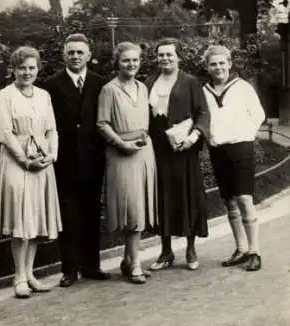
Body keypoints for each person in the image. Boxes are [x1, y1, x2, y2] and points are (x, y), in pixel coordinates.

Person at [0, 46, 62, 298]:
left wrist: (52, 154)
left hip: (42, 160)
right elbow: (6, 134)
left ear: (38, 68)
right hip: (17, 161)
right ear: (13, 69)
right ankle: (19, 277)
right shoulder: (4, 96)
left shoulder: (43, 95)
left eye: (32, 67)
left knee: (35, 217)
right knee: (21, 220)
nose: (27, 72)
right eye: (22, 67)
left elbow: (52, 129)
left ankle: (30, 274)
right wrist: (25, 161)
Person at [44, 33, 110, 287]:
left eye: (80, 52)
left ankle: (92, 265)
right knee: (69, 215)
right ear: (64, 55)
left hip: (93, 159)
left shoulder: (100, 83)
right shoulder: (51, 85)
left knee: (92, 213)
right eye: (70, 52)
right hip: (66, 160)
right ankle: (69, 269)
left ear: (89, 56)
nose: (75, 56)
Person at [146, 38, 209, 271]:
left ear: (178, 57)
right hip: (159, 150)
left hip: (184, 150)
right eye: (161, 55)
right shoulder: (150, 81)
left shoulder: (190, 82)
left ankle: (190, 249)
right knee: (163, 197)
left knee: (187, 196)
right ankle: (165, 251)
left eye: (169, 55)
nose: (165, 58)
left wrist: (193, 137)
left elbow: (203, 113)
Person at [97, 42, 157, 284]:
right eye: (126, 60)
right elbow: (102, 123)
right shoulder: (109, 90)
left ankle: (128, 260)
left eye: (135, 60)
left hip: (144, 151)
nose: (131, 64)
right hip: (122, 154)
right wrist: (122, 144)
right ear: (117, 62)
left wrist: (144, 138)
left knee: (140, 207)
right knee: (131, 209)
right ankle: (136, 265)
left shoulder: (143, 88)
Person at [203, 45, 265, 272]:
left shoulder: (242, 87)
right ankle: (240, 248)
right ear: (207, 67)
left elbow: (258, 115)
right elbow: (203, 120)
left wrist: (245, 135)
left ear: (229, 64)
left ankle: (254, 251)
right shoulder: (205, 90)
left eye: (222, 63)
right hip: (218, 150)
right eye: (213, 64)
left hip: (241, 148)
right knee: (229, 201)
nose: (218, 67)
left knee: (245, 199)